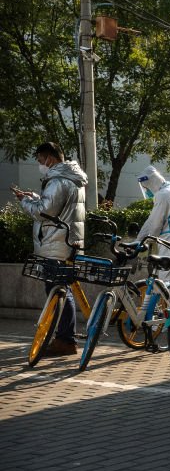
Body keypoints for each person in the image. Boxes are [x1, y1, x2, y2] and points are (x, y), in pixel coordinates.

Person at [15, 142, 87, 357]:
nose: (40, 165)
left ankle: (65, 340)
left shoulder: (57, 181)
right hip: (69, 242)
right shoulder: (73, 179)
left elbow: (43, 213)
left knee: (57, 291)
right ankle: (64, 338)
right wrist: (36, 197)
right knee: (62, 290)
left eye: (40, 161)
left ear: (50, 159)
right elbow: (58, 208)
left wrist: (26, 202)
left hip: (56, 244)